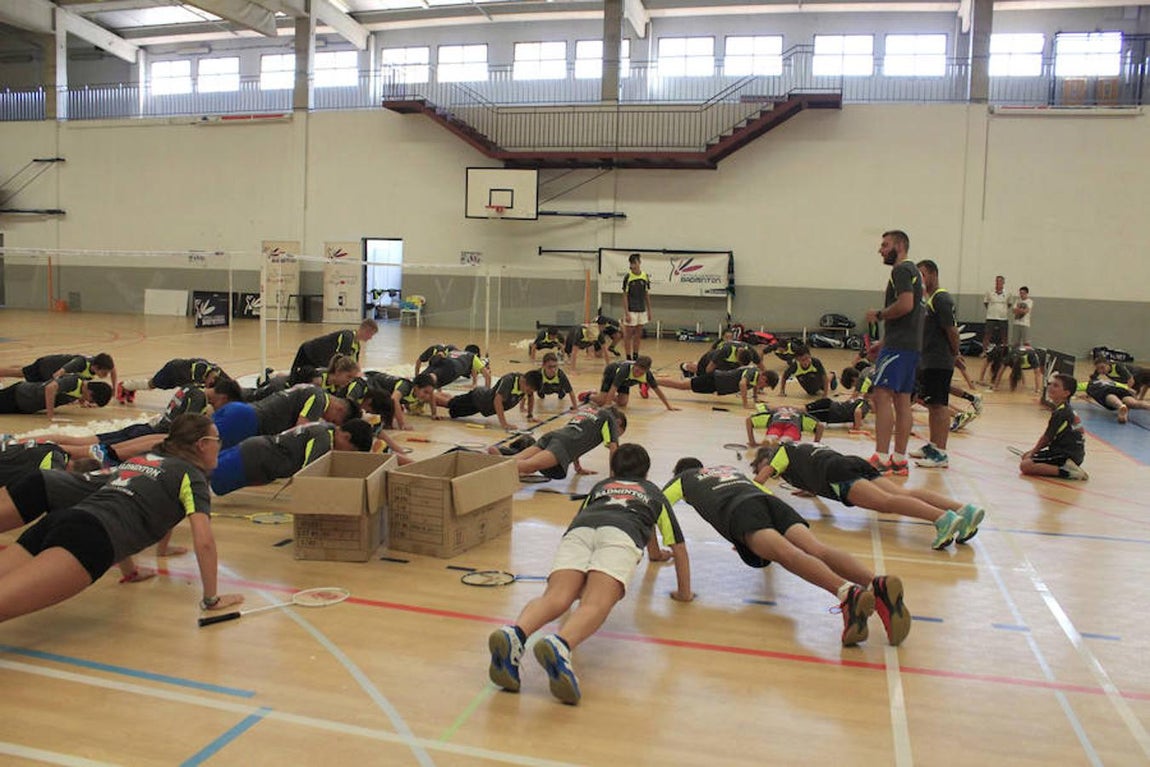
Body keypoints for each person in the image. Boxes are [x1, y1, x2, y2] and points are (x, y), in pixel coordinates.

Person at [486, 444, 691, 705]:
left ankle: (515, 635)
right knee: (596, 602)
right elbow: (679, 548)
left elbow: (579, 518)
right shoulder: (653, 493)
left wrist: (654, 555)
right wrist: (684, 594)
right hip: (621, 535)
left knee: (556, 596)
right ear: (647, 473)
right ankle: (561, 645)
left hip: (580, 532)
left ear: (614, 469)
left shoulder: (601, 486)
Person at [0, 413, 243, 624]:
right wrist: (211, 598)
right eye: (217, 440)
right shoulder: (192, 477)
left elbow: (118, 504)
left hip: (64, 520)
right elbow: (204, 541)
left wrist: (131, 571)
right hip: (87, 542)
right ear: (202, 444)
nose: (219, 446)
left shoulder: (141, 461)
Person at [665, 458, 910, 647]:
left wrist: (655, 551)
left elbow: (656, 504)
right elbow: (764, 490)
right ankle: (875, 584)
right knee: (817, 549)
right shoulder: (729, 469)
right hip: (771, 504)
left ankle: (847, 593)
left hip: (741, 512)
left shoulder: (684, 479)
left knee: (788, 555)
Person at [750, 443, 983, 550]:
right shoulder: (797, 455)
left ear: (766, 458)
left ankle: (942, 518)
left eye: (759, 464)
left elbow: (760, 481)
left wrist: (753, 489)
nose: (763, 470)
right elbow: (811, 465)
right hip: (848, 462)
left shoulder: (780, 453)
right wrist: (810, 489)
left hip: (836, 473)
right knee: (902, 493)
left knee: (885, 503)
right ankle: (964, 510)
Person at [865, 229, 924, 476]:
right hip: (909, 344)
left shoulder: (901, 270)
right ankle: (899, 460)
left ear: (899, 246)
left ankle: (881, 457)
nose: (880, 249)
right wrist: (884, 340)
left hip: (900, 345)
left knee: (882, 395)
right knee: (902, 401)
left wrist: (879, 315)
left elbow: (906, 305)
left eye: (885, 245)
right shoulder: (914, 272)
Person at [209, 419, 374, 496]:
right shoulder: (323, 439)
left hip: (254, 451)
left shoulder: (325, 428)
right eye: (350, 450)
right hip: (252, 459)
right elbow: (307, 475)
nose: (346, 454)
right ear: (345, 436)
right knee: (203, 480)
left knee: (208, 476)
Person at [910, 259, 960, 469]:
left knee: (939, 406)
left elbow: (952, 330)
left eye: (922, 274)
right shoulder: (929, 299)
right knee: (931, 405)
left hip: (940, 361)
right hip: (929, 360)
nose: (919, 280)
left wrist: (954, 354)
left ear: (932, 274)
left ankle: (941, 453)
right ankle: (933, 445)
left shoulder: (941, 299)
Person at [215, 384, 357, 449]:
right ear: (339, 409)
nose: (326, 420)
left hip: (242, 411)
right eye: (332, 420)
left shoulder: (311, 388)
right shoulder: (319, 400)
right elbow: (301, 431)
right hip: (249, 421)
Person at [507, 406, 625, 479]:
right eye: (619, 432)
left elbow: (578, 435)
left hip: (553, 436)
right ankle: (491, 474)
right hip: (563, 445)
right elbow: (614, 449)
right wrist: (612, 478)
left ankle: (491, 461)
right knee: (529, 466)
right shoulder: (610, 419)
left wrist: (578, 467)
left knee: (514, 459)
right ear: (618, 422)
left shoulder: (590, 411)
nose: (616, 435)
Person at [1020, 375, 1087, 480]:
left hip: (1065, 454)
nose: (1050, 387)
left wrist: (1032, 452)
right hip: (1072, 454)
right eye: (1050, 384)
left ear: (1066, 393)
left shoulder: (1061, 413)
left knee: (1025, 466)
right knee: (1029, 459)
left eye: (1056, 386)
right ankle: (1067, 467)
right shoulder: (1065, 409)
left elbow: (1047, 438)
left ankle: (1069, 472)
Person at [433, 372, 536, 431]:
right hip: (477, 399)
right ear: (524, 382)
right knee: (449, 404)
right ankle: (428, 397)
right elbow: (497, 401)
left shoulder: (525, 385)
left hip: (482, 406)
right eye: (528, 390)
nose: (528, 393)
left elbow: (531, 397)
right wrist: (504, 424)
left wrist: (530, 415)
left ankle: (433, 396)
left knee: (453, 402)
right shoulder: (509, 380)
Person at [655, 363, 775, 410]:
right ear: (764, 378)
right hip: (714, 380)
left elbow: (752, 384)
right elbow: (742, 384)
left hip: (716, 385)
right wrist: (745, 404)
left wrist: (754, 397)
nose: (762, 387)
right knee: (681, 386)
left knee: (684, 384)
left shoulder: (756, 375)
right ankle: (652, 381)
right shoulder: (753, 372)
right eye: (765, 384)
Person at [585, 356, 679, 411]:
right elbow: (613, 387)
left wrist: (668, 406)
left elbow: (657, 390)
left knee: (622, 403)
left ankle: (604, 396)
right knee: (602, 401)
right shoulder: (624, 370)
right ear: (634, 366)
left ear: (646, 371)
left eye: (641, 373)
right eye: (636, 370)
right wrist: (607, 405)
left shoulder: (648, 375)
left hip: (626, 383)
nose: (637, 374)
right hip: (611, 375)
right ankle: (589, 395)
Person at [290, 319, 378, 376]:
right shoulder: (347, 338)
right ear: (365, 330)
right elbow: (339, 361)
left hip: (317, 359)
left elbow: (355, 363)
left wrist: (360, 374)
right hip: (308, 352)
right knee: (295, 377)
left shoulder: (357, 345)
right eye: (371, 334)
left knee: (308, 378)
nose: (370, 338)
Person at [117, 358, 224, 404]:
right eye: (208, 384)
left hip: (181, 379)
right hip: (172, 371)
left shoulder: (217, 372)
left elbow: (229, 384)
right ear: (212, 378)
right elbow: (193, 389)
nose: (207, 385)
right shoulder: (201, 367)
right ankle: (125, 386)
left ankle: (130, 388)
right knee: (152, 384)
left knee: (153, 384)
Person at [0, 376, 112, 419]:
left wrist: (83, 402)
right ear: (91, 392)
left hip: (25, 405)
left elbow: (78, 394)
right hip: (20, 395)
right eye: (91, 399)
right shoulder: (73, 382)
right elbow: (50, 388)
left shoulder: (82, 391)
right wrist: (50, 414)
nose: (89, 400)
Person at [0, 352, 116, 391]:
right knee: (19, 373)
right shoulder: (80, 363)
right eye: (105, 373)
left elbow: (113, 369)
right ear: (96, 367)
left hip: (49, 366)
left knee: (22, 370)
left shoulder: (97, 364)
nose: (106, 376)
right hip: (45, 367)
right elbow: (59, 374)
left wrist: (114, 388)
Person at [363, 371, 435, 431]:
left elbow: (432, 397)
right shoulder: (405, 386)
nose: (427, 396)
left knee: (394, 412)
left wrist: (434, 414)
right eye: (425, 392)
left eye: (429, 393)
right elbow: (394, 399)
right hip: (371, 381)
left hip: (382, 389)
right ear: (416, 387)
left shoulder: (417, 392)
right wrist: (402, 424)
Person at [524, 354, 577, 419]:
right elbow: (527, 389)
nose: (553, 369)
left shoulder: (560, 374)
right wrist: (522, 407)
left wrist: (575, 407)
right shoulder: (538, 373)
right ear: (543, 366)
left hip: (557, 389)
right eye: (550, 367)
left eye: (555, 366)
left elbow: (570, 392)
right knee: (540, 393)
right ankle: (541, 392)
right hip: (543, 389)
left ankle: (560, 392)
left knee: (562, 395)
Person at [745, 404, 824, 447]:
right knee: (787, 439)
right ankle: (781, 442)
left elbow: (749, 420)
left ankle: (769, 440)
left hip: (776, 423)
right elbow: (820, 425)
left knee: (771, 436)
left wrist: (752, 442)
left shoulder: (775, 411)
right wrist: (816, 444)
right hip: (793, 425)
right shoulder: (800, 413)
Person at [621, 253, 652, 361]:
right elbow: (624, 295)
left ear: (639, 263)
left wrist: (649, 311)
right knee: (628, 335)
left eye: (635, 262)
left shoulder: (645, 276)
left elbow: (646, 294)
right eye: (632, 263)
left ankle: (635, 355)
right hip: (631, 310)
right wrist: (627, 313)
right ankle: (628, 357)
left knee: (638, 334)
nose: (634, 265)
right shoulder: (628, 277)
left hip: (642, 310)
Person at [1082, 378, 1149, 425]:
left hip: (1104, 391)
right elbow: (1124, 387)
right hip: (1119, 389)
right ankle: (1148, 406)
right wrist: (1131, 390)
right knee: (1133, 403)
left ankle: (1120, 406)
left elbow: (1075, 387)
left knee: (1109, 396)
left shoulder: (1089, 384)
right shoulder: (1109, 382)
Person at [423, 345, 491, 390]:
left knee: (428, 376)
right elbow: (487, 376)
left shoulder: (454, 351)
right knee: (435, 377)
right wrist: (486, 391)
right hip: (454, 366)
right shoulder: (472, 356)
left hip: (444, 361)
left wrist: (474, 383)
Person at [982, 275, 1010, 351]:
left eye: (1000, 281)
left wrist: (1001, 310)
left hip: (1003, 317)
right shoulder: (989, 292)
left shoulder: (1008, 293)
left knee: (1004, 335)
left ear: (1003, 282)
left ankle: (1005, 352)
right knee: (987, 334)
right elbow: (986, 303)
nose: (998, 283)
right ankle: (984, 351)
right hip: (991, 317)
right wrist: (993, 309)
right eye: (997, 281)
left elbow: (1009, 304)